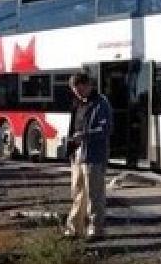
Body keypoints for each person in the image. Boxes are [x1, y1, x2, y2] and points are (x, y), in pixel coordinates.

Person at [64, 72, 112, 241]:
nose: (77, 93)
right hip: (77, 153)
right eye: (74, 90)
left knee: (94, 194)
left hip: (94, 155)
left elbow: (105, 129)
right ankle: (73, 229)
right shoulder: (78, 103)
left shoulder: (101, 104)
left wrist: (84, 135)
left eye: (79, 89)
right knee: (77, 192)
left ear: (87, 85)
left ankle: (95, 229)